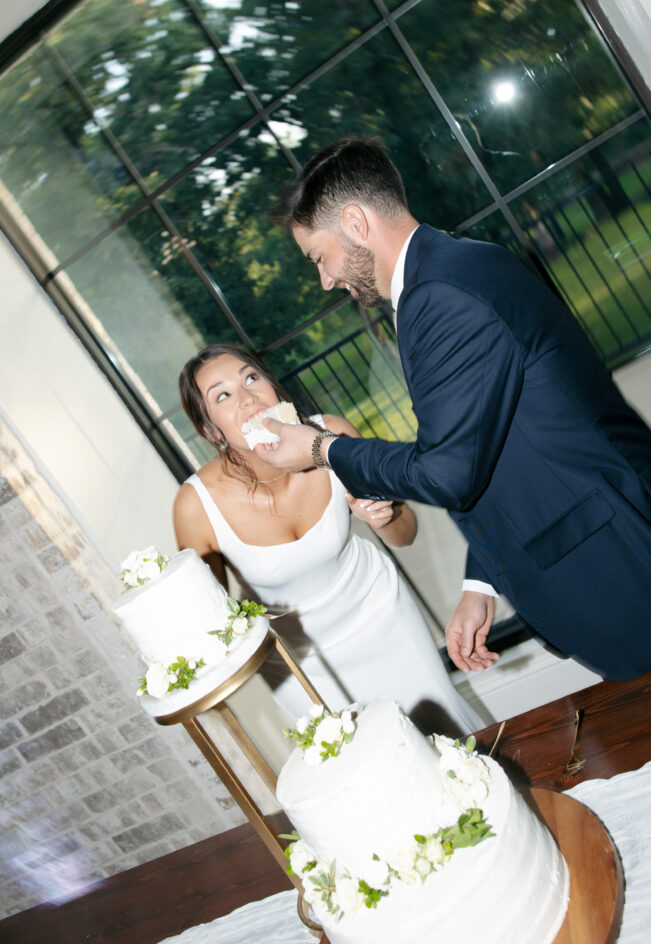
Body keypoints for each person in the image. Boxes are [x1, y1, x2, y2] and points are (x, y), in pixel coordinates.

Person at [257, 137, 651, 682]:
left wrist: (323, 448)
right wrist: (481, 581)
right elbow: (498, 446)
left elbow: (449, 472)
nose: (325, 279)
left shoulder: (438, 296)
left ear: (355, 221)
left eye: (318, 257)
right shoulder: (455, 268)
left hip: (618, 562)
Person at [173, 344, 483, 735]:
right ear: (209, 430)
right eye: (223, 395)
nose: (248, 398)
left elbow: (406, 533)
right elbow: (212, 619)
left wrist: (382, 517)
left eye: (251, 377)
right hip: (299, 665)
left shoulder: (330, 434)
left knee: (450, 734)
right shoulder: (195, 505)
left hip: (381, 614)